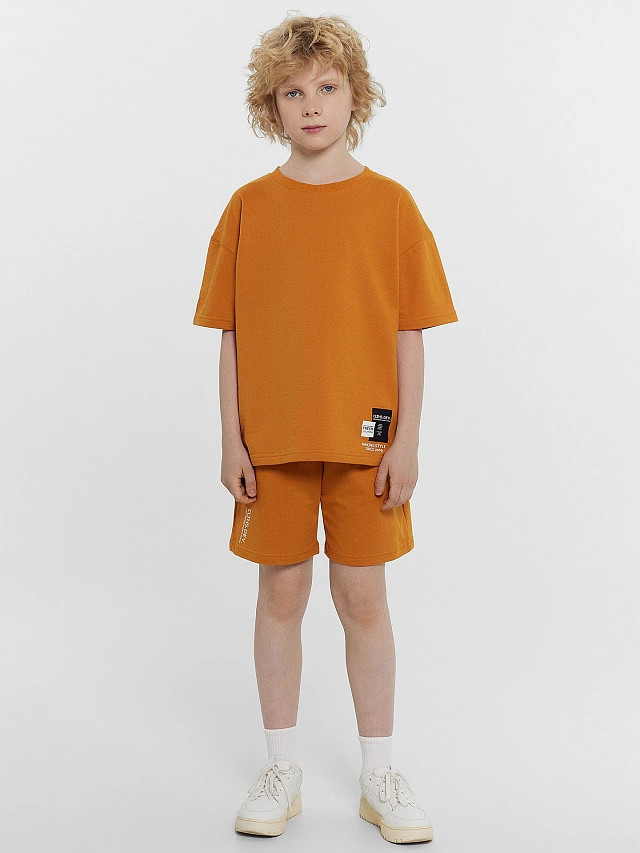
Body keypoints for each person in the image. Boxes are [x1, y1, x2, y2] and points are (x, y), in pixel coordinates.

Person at [193, 13, 458, 845]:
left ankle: (379, 771)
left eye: (328, 87)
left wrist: (407, 440)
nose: (311, 105)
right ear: (270, 106)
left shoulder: (392, 206)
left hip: (366, 444)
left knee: (363, 597)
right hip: (271, 444)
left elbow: (409, 330)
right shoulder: (248, 208)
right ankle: (282, 768)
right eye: (292, 92)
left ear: (356, 96)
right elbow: (231, 334)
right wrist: (232, 439)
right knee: (280, 594)